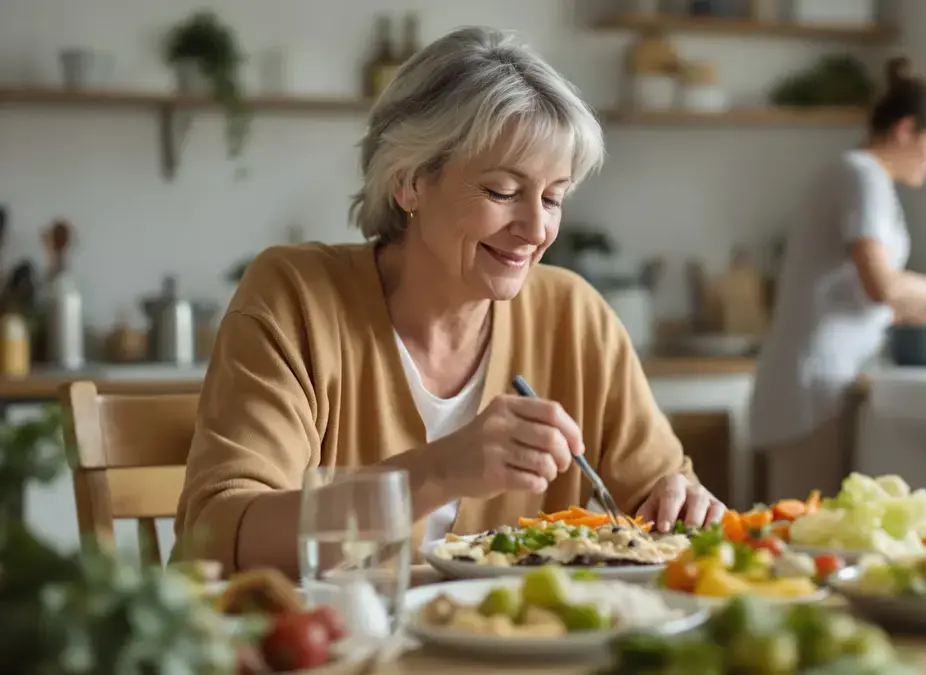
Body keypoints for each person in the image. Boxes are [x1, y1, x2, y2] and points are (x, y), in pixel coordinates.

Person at [174, 26, 724, 577]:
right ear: (410, 183)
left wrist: (680, 503)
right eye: (502, 192)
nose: (536, 228)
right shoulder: (295, 298)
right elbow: (221, 538)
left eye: (553, 198)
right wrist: (438, 471)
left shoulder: (575, 316)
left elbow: (663, 495)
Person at [749, 56, 926, 502]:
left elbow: (861, 292)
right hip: (810, 388)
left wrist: (918, 315)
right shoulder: (859, 176)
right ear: (905, 130)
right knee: (804, 537)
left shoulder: (866, 180)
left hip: (819, 383)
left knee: (818, 534)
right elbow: (882, 286)